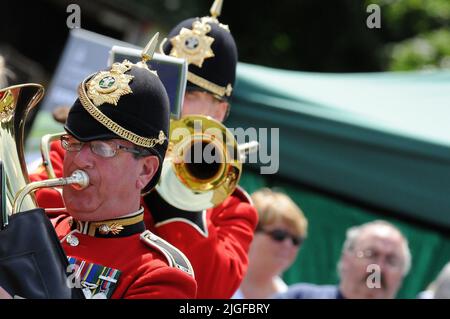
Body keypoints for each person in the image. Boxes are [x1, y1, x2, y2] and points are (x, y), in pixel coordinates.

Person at [30, 0, 257, 299]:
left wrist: (176, 201)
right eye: (167, 82)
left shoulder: (232, 205)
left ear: (220, 111)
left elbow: (211, 292)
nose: (169, 99)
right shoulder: (76, 149)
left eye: (189, 92)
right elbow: (37, 216)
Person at [28, 43, 196, 299]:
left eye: (102, 148)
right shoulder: (34, 230)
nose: (79, 159)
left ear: (146, 171)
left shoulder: (160, 275)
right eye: (73, 143)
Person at [274, 220, 411, 299]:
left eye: (392, 261)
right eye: (371, 254)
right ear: (346, 259)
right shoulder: (300, 297)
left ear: (402, 276)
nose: (379, 267)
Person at [232, 188, 308, 299]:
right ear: (249, 232)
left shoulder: (288, 295)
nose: (288, 244)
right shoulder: (216, 283)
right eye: (279, 235)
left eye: (296, 240)